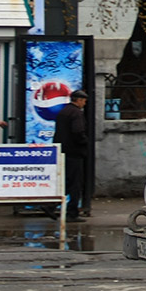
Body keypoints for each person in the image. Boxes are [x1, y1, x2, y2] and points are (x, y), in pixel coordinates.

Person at [53, 90, 89, 222]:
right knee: (75, 183)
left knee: (66, 181)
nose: (84, 103)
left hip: (62, 151)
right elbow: (78, 131)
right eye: (84, 101)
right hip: (74, 152)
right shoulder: (76, 113)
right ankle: (72, 212)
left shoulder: (63, 111)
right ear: (78, 100)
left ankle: (51, 205)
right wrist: (85, 142)